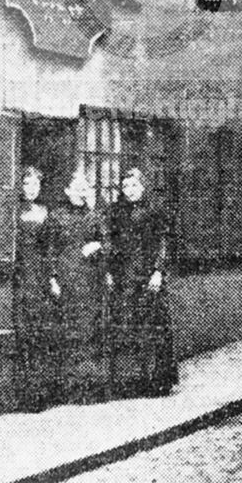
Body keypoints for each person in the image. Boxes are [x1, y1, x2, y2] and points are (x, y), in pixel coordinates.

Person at [108, 167, 178, 398]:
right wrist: (111, 271)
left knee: (155, 327)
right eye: (125, 187)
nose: (129, 191)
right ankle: (137, 379)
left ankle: (159, 380)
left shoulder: (156, 209)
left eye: (134, 186)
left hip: (149, 277)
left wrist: (158, 271)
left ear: (143, 186)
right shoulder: (118, 211)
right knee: (131, 326)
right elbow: (112, 243)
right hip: (127, 276)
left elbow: (164, 242)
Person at [52, 168, 110, 403]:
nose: (80, 192)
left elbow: (109, 243)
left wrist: (97, 245)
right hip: (67, 280)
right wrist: (53, 278)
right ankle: (71, 389)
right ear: (67, 191)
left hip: (91, 280)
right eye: (76, 188)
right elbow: (50, 250)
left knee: (90, 331)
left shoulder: (95, 216)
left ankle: (91, 388)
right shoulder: (57, 217)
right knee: (69, 330)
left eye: (84, 189)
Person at [12, 165, 63, 412]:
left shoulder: (45, 213)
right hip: (21, 275)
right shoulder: (13, 211)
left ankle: (43, 394)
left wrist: (52, 277)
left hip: (40, 277)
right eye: (26, 184)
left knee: (42, 333)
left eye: (35, 185)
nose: (30, 189)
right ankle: (26, 396)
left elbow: (50, 249)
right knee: (25, 333)